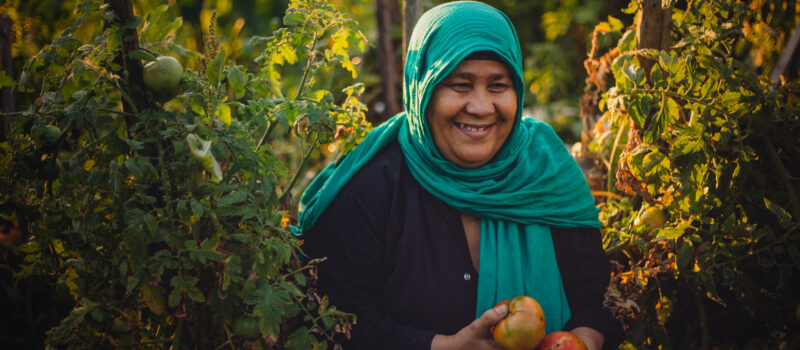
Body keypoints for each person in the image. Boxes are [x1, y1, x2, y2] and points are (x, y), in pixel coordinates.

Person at [294, 1, 624, 349]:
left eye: (498, 85)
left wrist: (581, 343)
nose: (481, 107)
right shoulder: (369, 190)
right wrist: (443, 346)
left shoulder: (547, 173)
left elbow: (593, 297)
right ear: (423, 91)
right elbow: (336, 321)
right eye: (459, 85)